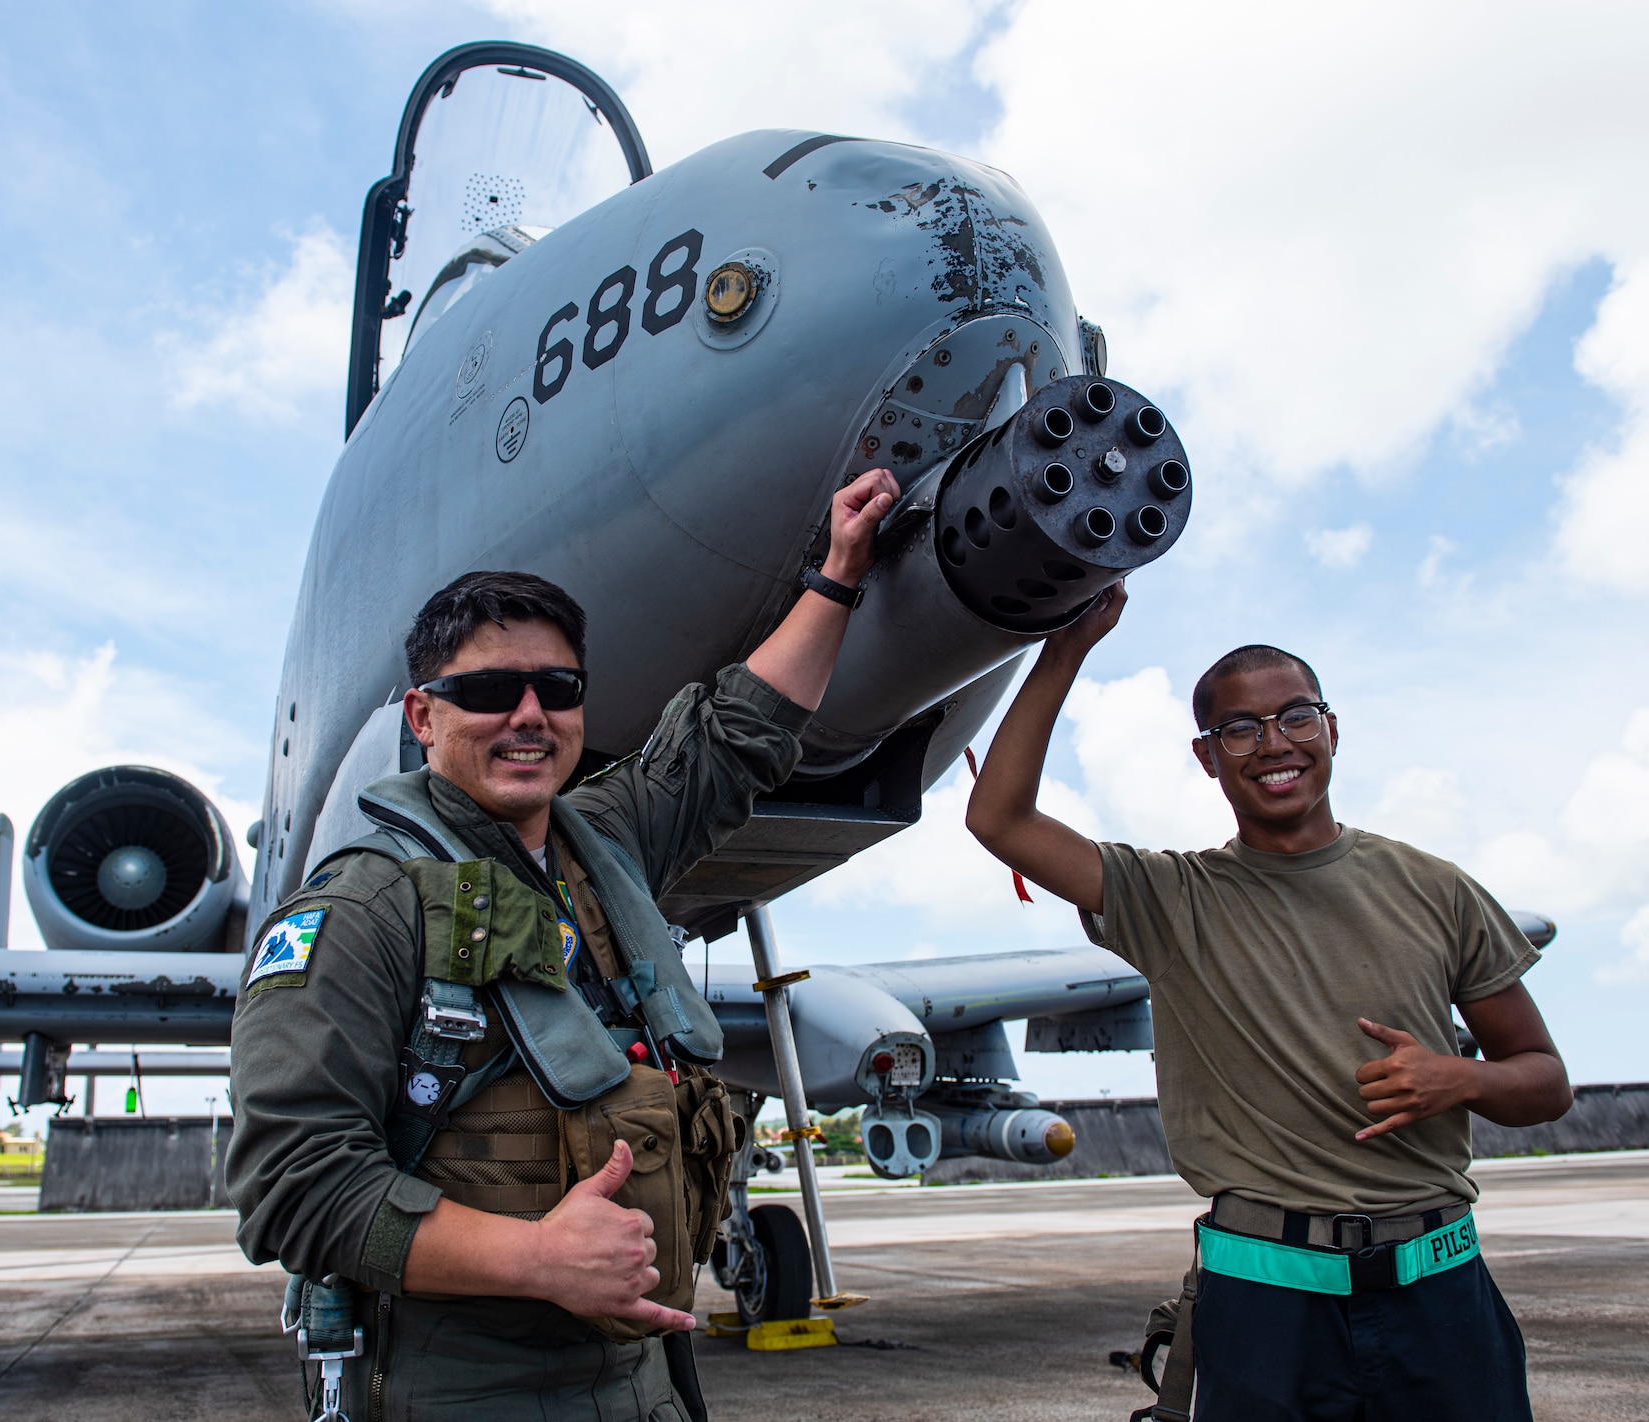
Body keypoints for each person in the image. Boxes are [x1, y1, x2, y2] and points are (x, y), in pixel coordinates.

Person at [227, 468, 902, 1422]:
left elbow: (736, 735)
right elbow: (289, 1185)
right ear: (423, 717)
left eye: (557, 688)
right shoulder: (360, 909)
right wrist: (535, 1259)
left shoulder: (603, 843)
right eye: (491, 690)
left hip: (641, 1382)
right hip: (462, 1390)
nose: (530, 715)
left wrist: (837, 577)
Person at [965, 583, 1572, 1422]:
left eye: (1295, 716)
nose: (1273, 743)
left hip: (1440, 1293)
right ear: (1207, 755)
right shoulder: (1168, 898)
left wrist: (1459, 1082)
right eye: (1240, 728)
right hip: (1265, 1300)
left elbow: (1545, 1081)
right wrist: (1065, 652)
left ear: (1332, 730)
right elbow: (999, 817)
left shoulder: (1436, 888)